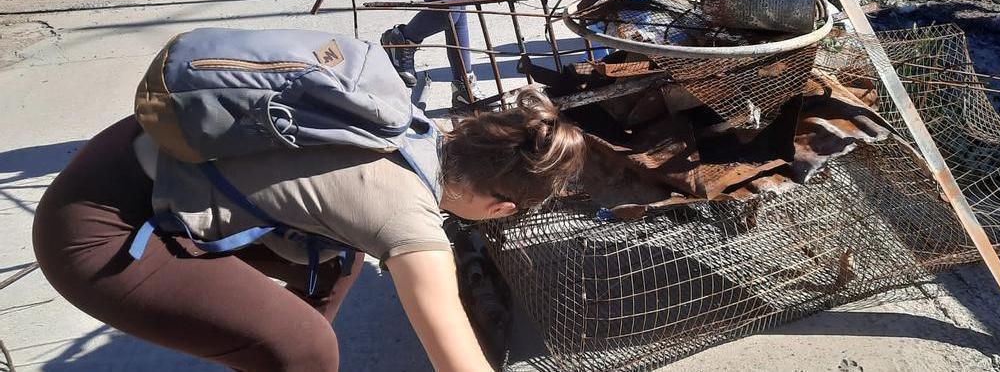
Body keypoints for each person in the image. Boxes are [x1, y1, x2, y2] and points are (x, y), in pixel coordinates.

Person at [32, 33, 586, 372]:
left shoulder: (416, 131)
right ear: (501, 209)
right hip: (97, 228)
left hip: (136, 163)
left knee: (334, 265)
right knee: (306, 351)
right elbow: (459, 365)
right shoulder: (406, 219)